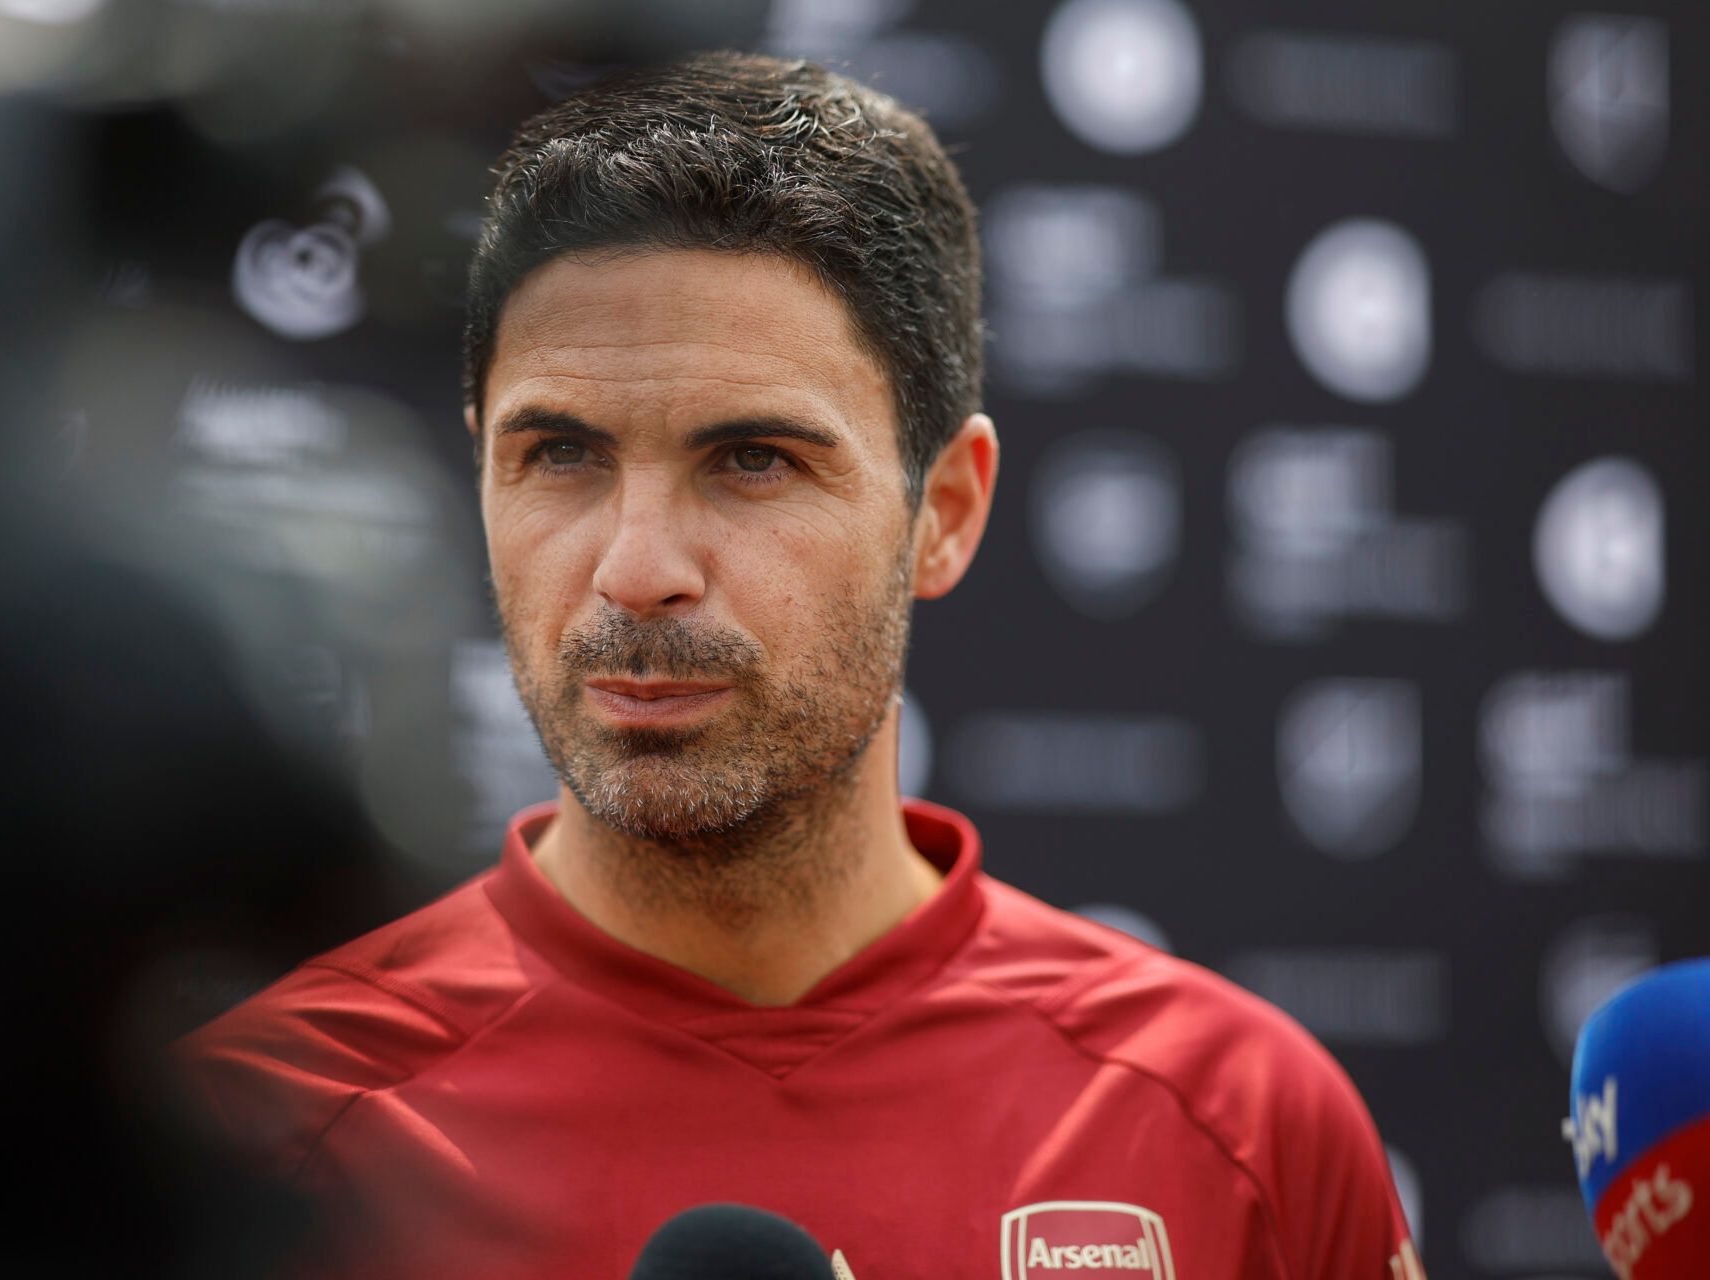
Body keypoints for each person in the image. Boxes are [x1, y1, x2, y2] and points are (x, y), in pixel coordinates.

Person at [176, 52, 1424, 1280]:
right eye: (559, 454)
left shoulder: (1241, 1123)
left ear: (944, 509)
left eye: (753, 459)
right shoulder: (260, 1139)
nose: (637, 566)